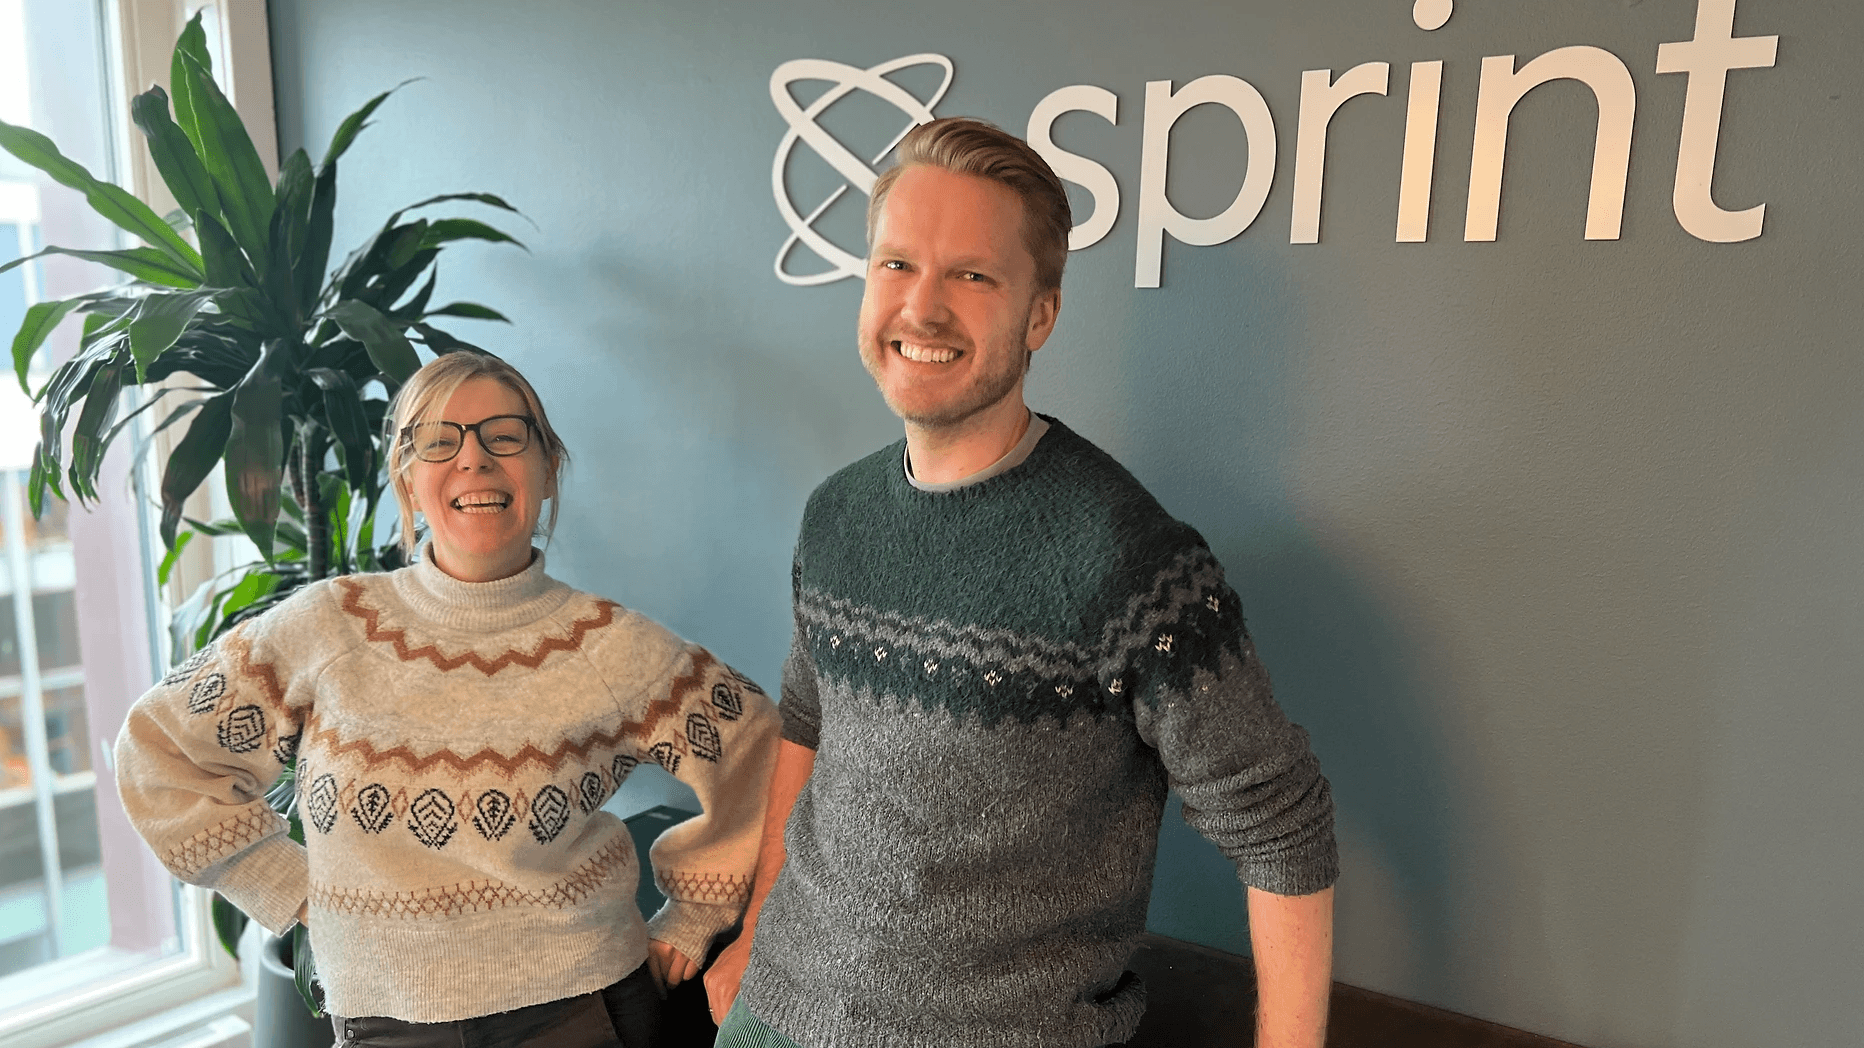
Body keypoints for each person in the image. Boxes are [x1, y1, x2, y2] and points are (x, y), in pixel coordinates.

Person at [705, 118, 1339, 1048]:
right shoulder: (836, 514)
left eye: (972, 276)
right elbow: (807, 719)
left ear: (1039, 315)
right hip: (775, 1014)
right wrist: (756, 932)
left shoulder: (1127, 555)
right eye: (896, 264)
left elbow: (1282, 825)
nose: (922, 308)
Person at [115, 351, 780, 1047]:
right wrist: (283, 884)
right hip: (384, 1020)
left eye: (505, 436)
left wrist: (696, 913)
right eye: (438, 440)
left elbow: (761, 750)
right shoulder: (326, 626)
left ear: (548, 468)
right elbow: (157, 752)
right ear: (407, 478)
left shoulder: (615, 647)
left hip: (585, 1011)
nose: (474, 459)